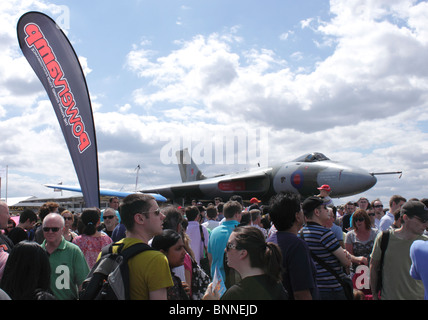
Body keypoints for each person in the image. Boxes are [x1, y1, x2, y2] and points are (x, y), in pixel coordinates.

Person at [112, 193, 173, 300]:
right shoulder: (156, 259)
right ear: (140, 218)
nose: (163, 216)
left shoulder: (107, 252)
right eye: (157, 212)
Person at [204, 226, 288, 300]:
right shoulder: (277, 286)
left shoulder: (235, 294)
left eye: (229, 246)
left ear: (243, 253)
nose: (225, 250)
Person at [370, 200, 428, 300]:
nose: (426, 224)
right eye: (423, 220)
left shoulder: (425, 243)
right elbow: (373, 267)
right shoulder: (384, 238)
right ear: (405, 218)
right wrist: (374, 295)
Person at [267, 192, 319, 300]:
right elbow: (301, 293)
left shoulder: (269, 241)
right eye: (300, 209)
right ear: (297, 216)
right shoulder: (297, 245)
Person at [300, 196, 352, 300]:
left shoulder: (300, 233)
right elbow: (346, 262)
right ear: (317, 212)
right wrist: (346, 255)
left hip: (314, 288)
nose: (327, 211)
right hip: (332, 289)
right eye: (324, 208)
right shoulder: (325, 234)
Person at [41, 213, 89, 300]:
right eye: (46, 229)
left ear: (62, 230)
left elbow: (83, 283)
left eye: (54, 229)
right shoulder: (37, 251)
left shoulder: (73, 251)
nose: (50, 232)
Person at [207, 200, 242, 288]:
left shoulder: (214, 232)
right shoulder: (241, 231)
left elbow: (210, 258)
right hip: (235, 283)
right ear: (237, 214)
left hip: (216, 281)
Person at [151, 229, 190, 300]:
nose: (184, 252)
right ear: (162, 253)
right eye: (178, 249)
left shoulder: (167, 277)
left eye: (183, 247)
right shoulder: (162, 281)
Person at [344, 209, 377, 274]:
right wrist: (358, 259)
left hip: (373, 270)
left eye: (360, 219)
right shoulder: (350, 235)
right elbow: (349, 255)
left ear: (366, 220)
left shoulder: (376, 233)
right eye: (356, 220)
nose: (358, 222)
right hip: (357, 271)